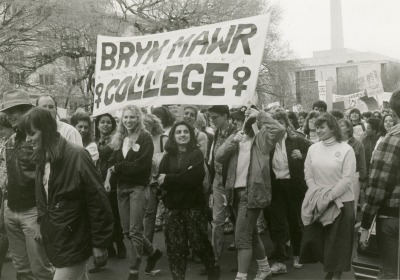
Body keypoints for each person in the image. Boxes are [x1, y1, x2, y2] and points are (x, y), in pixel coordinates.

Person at [19, 107, 113, 280]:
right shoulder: (42, 156)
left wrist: (100, 243)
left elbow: (98, 201)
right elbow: (43, 198)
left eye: (31, 133)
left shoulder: (78, 155)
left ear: (46, 130)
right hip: (58, 240)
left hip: (74, 242)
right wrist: (41, 222)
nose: (27, 139)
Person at [216, 107, 285, 280]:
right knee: (251, 234)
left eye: (244, 120)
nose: (241, 123)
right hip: (234, 193)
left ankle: (241, 276)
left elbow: (279, 129)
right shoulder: (235, 138)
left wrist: (260, 114)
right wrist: (233, 140)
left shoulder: (261, 139)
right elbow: (218, 156)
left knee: (241, 238)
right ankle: (264, 268)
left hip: (251, 193)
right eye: (238, 121)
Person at [0, 90, 54, 280]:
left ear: (26, 111)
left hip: (33, 212)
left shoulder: (39, 140)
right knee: (22, 270)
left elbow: (49, 181)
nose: (8, 115)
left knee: (41, 270)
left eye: (13, 110)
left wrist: (42, 217)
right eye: (6, 111)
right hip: (11, 211)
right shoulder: (10, 141)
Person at [105, 105, 162, 280]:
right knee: (126, 231)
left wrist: (117, 168)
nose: (128, 120)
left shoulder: (144, 137)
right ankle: (152, 252)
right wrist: (109, 175)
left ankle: (133, 271)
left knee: (135, 230)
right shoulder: (121, 137)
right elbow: (112, 161)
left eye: (132, 117)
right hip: (121, 188)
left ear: (138, 119)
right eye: (126, 117)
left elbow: (141, 166)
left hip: (138, 187)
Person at [158, 121, 220, 280]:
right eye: (178, 132)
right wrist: (181, 178)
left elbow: (194, 179)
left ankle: (212, 269)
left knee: (199, 243)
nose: (182, 134)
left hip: (194, 206)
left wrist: (170, 179)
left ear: (191, 135)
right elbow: (160, 180)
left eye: (185, 132)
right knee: (175, 248)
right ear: (173, 136)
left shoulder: (196, 154)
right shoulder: (167, 157)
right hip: (173, 207)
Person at [300, 113, 356, 280]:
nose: (318, 130)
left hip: (341, 203)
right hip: (318, 202)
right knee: (320, 244)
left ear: (332, 128)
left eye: (322, 127)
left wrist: (329, 196)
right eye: (316, 127)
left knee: (337, 246)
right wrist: (318, 195)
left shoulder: (346, 149)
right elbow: (308, 173)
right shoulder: (313, 148)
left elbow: (347, 179)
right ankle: (330, 272)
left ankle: (335, 276)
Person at [360, 89, 400, 278]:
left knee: (390, 273)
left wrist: (365, 226)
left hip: (393, 217)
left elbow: (377, 188)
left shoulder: (390, 140)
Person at [268, 111, 311, 275]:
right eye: (274, 123)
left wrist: (303, 155)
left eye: (281, 122)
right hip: (276, 185)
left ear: (287, 125)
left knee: (295, 221)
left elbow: (316, 152)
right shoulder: (268, 143)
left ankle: (298, 254)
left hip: (293, 185)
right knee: (277, 223)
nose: (278, 126)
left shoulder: (297, 140)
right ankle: (280, 260)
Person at [89, 113, 125, 273]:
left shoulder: (115, 139)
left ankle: (120, 245)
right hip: (96, 181)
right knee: (102, 215)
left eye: (108, 122)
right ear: (97, 125)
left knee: (113, 214)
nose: (105, 125)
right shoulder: (95, 140)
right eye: (102, 122)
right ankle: (109, 247)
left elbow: (105, 155)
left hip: (111, 181)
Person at [208, 105, 237, 269]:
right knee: (217, 221)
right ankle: (215, 258)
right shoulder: (216, 133)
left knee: (238, 219)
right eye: (211, 118)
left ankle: (243, 258)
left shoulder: (236, 132)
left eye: (215, 117)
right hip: (218, 180)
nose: (212, 121)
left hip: (233, 181)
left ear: (226, 116)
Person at [143, 113, 165, 243]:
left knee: (169, 213)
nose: (145, 128)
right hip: (150, 182)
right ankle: (148, 245)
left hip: (163, 181)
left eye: (147, 125)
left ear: (154, 125)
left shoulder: (163, 138)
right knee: (149, 213)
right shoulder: (140, 139)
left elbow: (169, 157)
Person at [338, 119, 367, 212]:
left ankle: (351, 224)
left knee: (352, 205)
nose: (339, 128)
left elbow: (362, 164)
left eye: (341, 126)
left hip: (353, 176)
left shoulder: (357, 144)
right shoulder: (335, 142)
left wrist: (362, 180)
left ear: (348, 128)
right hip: (337, 175)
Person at [0, 113, 13, 277]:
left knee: (2, 229)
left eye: (4, 129)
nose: (2, 133)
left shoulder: (13, 143)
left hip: (6, 191)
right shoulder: (4, 143)